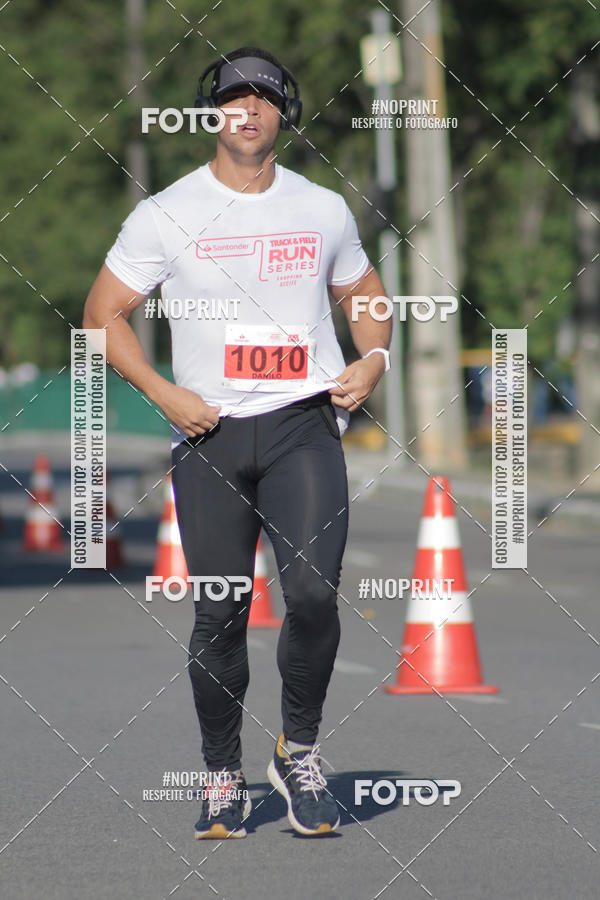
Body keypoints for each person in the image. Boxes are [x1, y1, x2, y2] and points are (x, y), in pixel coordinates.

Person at [83, 46, 391, 839]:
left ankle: (301, 750)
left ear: (285, 112)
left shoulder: (322, 208)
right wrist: (163, 393)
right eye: (232, 99)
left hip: (302, 425)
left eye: (263, 98)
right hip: (209, 433)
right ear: (210, 113)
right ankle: (222, 774)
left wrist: (375, 358)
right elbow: (101, 315)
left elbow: (365, 295)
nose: (247, 110)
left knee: (315, 597)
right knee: (220, 614)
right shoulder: (167, 213)